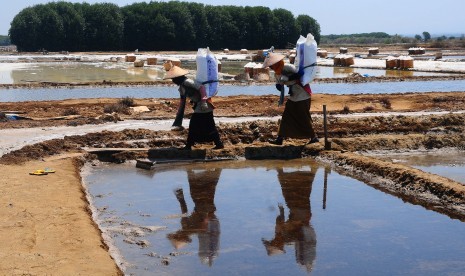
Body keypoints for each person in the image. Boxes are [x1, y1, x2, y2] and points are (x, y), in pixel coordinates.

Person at [262, 163, 318, 272]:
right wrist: (282, 224)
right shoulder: (288, 238)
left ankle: (281, 169)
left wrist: (281, 219)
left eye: (272, 241)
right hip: (301, 213)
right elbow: (296, 224)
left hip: (298, 212)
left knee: (292, 191)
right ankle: (310, 170)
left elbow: (281, 218)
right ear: (279, 245)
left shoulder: (283, 236)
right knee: (301, 193)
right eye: (273, 242)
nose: (273, 239)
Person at [167, 167, 222, 266]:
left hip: (204, 206)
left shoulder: (191, 229)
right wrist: (180, 196)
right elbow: (186, 210)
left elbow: (185, 210)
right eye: (176, 234)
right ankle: (196, 168)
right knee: (205, 186)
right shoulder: (190, 228)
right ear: (180, 235)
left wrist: (181, 197)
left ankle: (214, 168)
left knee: (210, 185)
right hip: (201, 205)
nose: (176, 232)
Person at [262, 53, 319, 145]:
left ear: (276, 63)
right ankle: (280, 138)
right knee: (286, 117)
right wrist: (279, 86)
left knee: (303, 116)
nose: (271, 68)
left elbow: (300, 74)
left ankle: (313, 137)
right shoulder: (277, 73)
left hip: (302, 94)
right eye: (270, 66)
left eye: (271, 66)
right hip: (293, 96)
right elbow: (279, 84)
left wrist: (288, 77)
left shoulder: (288, 67)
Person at [164, 65, 224, 150]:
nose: (173, 81)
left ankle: (189, 145)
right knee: (209, 125)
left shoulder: (187, 82)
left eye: (173, 79)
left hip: (204, 106)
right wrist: (179, 116)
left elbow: (201, 87)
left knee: (195, 125)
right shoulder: (182, 87)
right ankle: (218, 143)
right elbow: (183, 101)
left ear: (178, 78)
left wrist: (203, 102)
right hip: (199, 106)